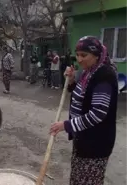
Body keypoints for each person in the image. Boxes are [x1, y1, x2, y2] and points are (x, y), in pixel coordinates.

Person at [50, 36, 118, 185]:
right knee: (78, 178)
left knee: (87, 181)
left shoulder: (104, 76)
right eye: (78, 54)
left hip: (96, 143)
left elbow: (98, 113)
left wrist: (66, 125)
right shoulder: (88, 72)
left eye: (84, 55)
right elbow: (82, 97)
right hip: (83, 138)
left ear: (97, 55)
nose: (79, 60)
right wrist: (72, 80)